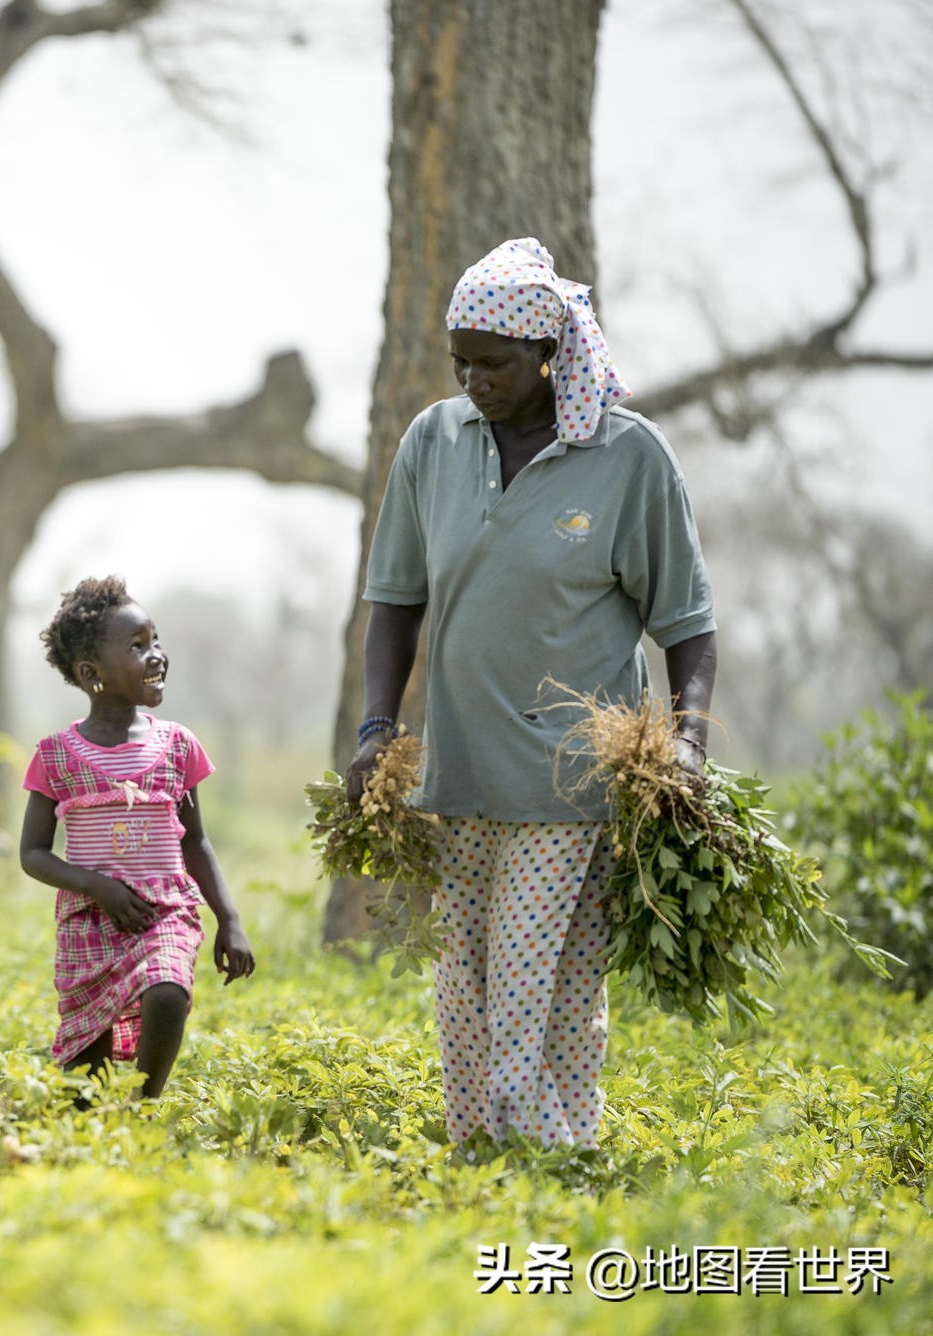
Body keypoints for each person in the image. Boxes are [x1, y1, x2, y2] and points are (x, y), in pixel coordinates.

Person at [348, 237, 718, 1150]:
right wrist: (375, 728)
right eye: (462, 362)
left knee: (540, 974)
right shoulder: (434, 442)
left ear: (552, 354)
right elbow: (395, 602)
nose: (476, 379)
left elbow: (688, 623)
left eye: (496, 364)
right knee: (464, 976)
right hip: (461, 768)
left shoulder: (627, 458)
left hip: (573, 774)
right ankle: (483, 1145)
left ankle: (543, 1153)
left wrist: (690, 742)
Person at [19, 576, 255, 1099]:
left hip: (163, 909)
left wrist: (230, 920)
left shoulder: (176, 746)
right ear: (91, 673)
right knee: (85, 1079)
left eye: (155, 641)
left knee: (168, 991)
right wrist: (97, 886)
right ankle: (96, 1136)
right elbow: (32, 854)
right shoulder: (56, 756)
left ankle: (145, 1106)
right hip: (89, 919)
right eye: (137, 646)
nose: (156, 655)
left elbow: (195, 842)